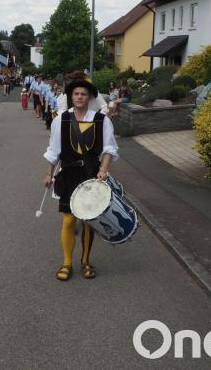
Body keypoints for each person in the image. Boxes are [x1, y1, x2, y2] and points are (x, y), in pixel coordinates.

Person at [43, 73, 118, 281]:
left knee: (87, 222)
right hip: (68, 174)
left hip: (91, 176)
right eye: (76, 94)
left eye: (83, 94)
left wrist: (103, 170)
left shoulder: (101, 120)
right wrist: (49, 173)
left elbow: (109, 148)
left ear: (89, 97)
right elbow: (53, 150)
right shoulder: (61, 120)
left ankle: (85, 261)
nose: (79, 97)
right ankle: (67, 262)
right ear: (71, 97)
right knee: (68, 221)